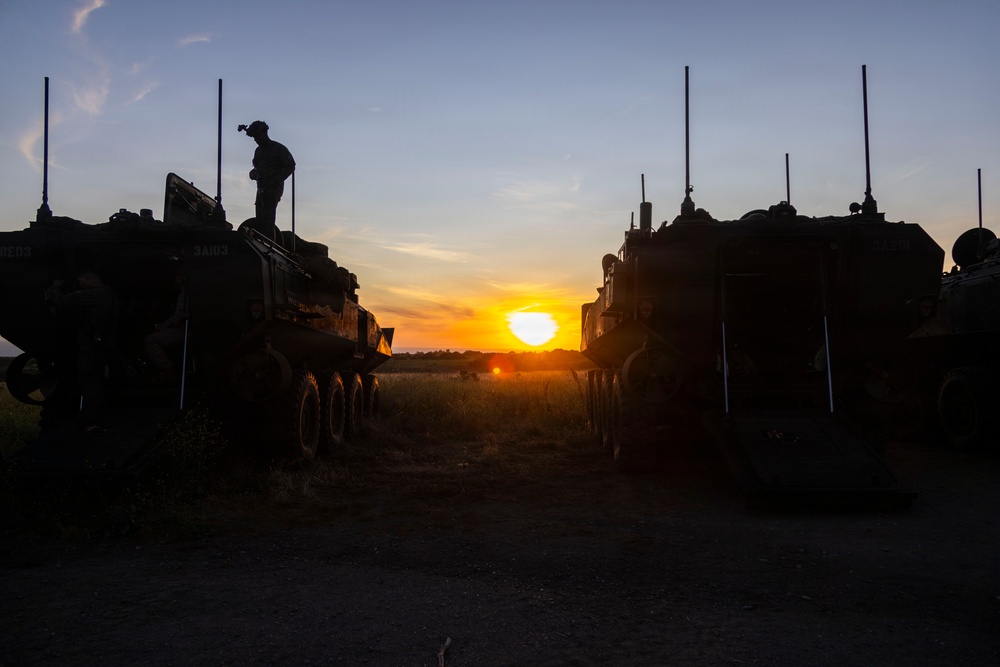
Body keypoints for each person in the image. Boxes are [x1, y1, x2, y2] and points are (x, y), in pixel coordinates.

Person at [48, 270, 119, 432]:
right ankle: (98, 416)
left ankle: (92, 420)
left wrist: (55, 288)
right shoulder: (112, 296)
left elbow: (64, 301)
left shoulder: (94, 295)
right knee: (98, 380)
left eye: (81, 281)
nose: (80, 285)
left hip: (91, 347)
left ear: (89, 279)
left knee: (88, 381)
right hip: (106, 345)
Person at [240, 120, 295, 240]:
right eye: (254, 138)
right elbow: (256, 167)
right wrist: (253, 173)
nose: (256, 140)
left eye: (257, 136)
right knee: (260, 218)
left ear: (264, 133)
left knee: (268, 219)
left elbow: (291, 166)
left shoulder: (279, 149)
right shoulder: (258, 151)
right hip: (261, 188)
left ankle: (269, 241)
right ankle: (261, 239)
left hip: (272, 188)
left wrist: (275, 180)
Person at [143, 272, 188, 383]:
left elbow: (177, 318)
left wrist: (161, 327)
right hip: (184, 329)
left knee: (150, 340)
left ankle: (169, 370)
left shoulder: (185, 295)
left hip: (185, 331)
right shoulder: (184, 294)